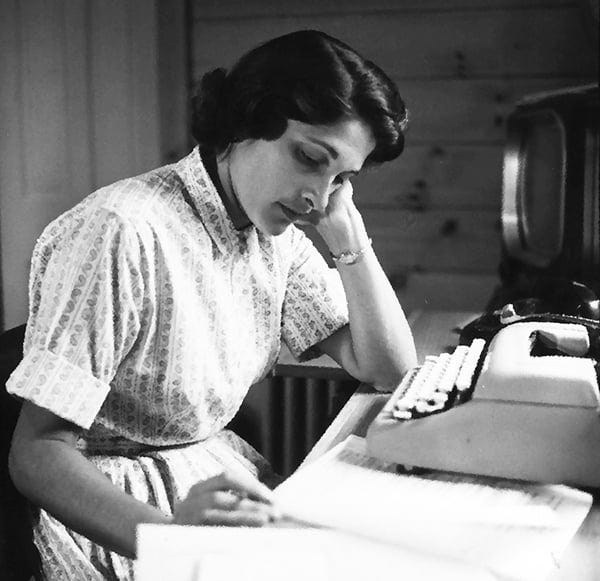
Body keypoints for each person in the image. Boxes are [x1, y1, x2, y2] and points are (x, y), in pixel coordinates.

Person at [7, 30, 417, 580]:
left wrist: (347, 233)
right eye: (309, 158)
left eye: (342, 178)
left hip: (212, 479)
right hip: (114, 513)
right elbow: (36, 454)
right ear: (245, 122)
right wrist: (171, 540)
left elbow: (388, 368)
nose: (317, 197)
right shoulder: (120, 229)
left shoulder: (272, 236)